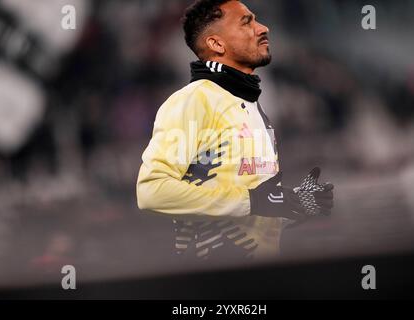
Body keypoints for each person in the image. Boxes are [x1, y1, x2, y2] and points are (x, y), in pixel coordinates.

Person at [136, 0, 334, 261]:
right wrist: (251, 201)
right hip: (211, 284)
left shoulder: (253, 107)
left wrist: (291, 203)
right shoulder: (194, 101)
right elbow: (151, 192)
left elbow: (249, 206)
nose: (263, 28)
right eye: (246, 22)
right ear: (217, 44)